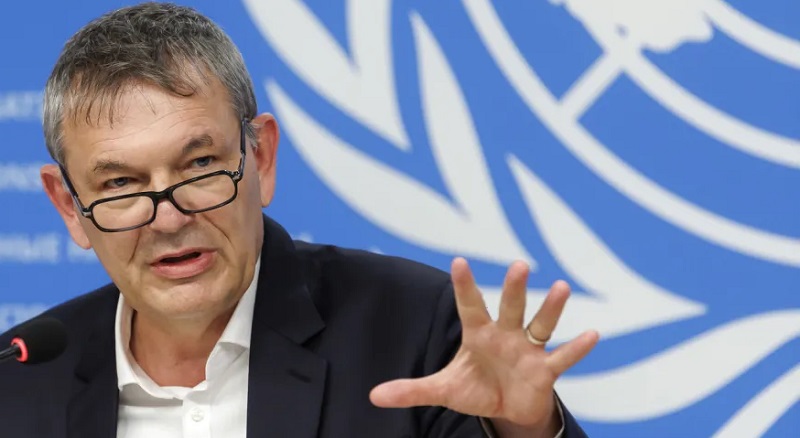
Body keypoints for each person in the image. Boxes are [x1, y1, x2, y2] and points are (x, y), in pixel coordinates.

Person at [0, 2, 599, 437]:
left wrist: (524, 431)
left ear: (260, 157)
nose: (169, 217)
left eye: (200, 164)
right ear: (69, 206)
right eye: (121, 184)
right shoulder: (18, 381)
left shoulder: (412, 329)